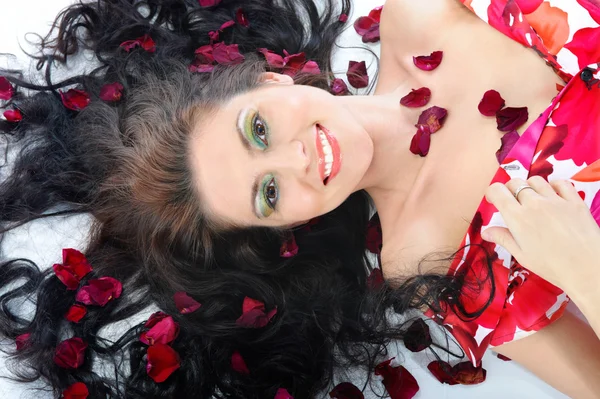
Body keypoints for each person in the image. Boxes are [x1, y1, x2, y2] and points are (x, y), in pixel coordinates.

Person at [0, 0, 599, 398]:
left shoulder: (424, 13)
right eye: (268, 193)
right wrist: (580, 265)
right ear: (288, 225)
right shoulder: (428, 253)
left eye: (258, 130)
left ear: (270, 79)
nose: (298, 160)